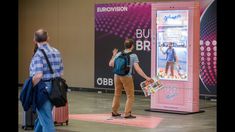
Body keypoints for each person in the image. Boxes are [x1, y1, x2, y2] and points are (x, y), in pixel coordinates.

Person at [30, 29, 64, 132]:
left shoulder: (38, 55)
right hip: (55, 89)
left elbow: (38, 75)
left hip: (42, 89)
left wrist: (30, 88)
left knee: (47, 121)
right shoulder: (56, 52)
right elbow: (61, 72)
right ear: (48, 38)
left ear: (34, 40)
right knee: (43, 118)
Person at [109, 38, 151, 118]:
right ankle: (127, 113)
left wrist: (114, 55)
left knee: (117, 94)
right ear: (132, 46)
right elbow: (137, 69)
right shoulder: (133, 55)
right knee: (130, 96)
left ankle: (114, 112)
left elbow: (110, 64)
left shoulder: (119, 53)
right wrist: (146, 77)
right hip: (126, 77)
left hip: (116, 76)